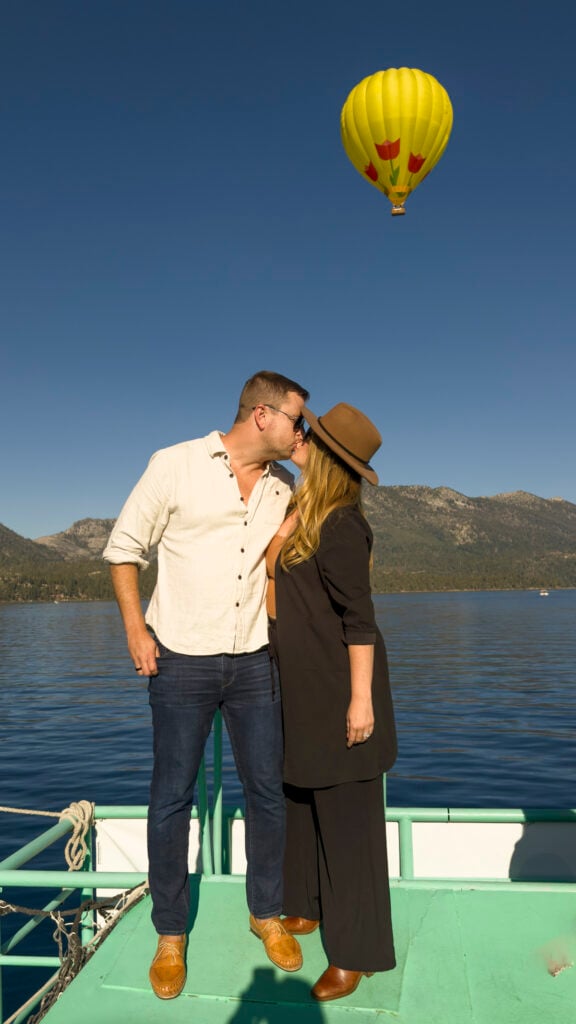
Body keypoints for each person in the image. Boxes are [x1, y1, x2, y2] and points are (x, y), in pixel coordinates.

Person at [103, 371, 309, 999]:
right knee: (171, 798)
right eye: (297, 420)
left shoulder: (286, 486)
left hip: (254, 659)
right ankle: (171, 932)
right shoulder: (175, 464)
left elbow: (333, 494)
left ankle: (265, 913)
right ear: (262, 415)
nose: (302, 432)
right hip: (180, 657)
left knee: (268, 794)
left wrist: (308, 453)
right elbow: (123, 550)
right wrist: (138, 633)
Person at [266, 402, 397, 1002]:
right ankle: (309, 907)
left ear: (325, 457)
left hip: (342, 692)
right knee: (303, 802)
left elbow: (359, 621)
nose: (299, 437)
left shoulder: (342, 524)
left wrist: (361, 702)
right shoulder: (304, 513)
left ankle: (356, 952)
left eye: (308, 435)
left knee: (348, 826)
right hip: (302, 689)